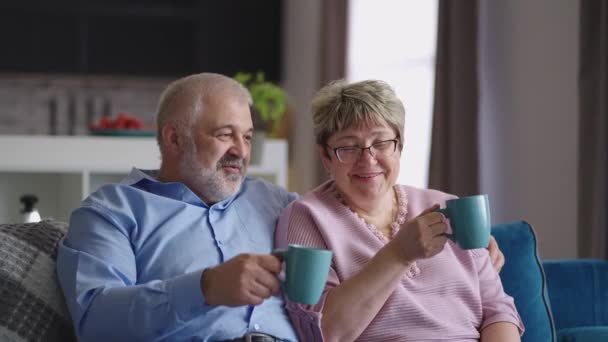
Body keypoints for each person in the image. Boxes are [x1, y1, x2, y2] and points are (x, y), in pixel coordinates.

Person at [57, 73, 506, 341]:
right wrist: (205, 287)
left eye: (248, 137)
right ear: (174, 138)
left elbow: (355, 202)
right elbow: (96, 320)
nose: (240, 150)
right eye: (224, 134)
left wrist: (477, 246)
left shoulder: (277, 204)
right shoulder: (113, 212)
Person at [274, 79, 523, 341]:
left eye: (381, 143)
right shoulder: (308, 217)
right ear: (326, 156)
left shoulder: (450, 206)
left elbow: (498, 310)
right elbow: (322, 331)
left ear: (399, 146)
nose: (368, 159)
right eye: (348, 147)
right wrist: (398, 255)